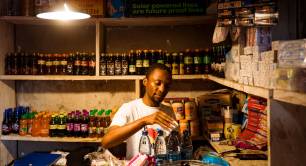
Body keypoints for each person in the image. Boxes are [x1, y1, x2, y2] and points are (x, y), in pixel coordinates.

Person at [101, 63, 178, 159]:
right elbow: (106, 141)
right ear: (145, 82)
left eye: (167, 85)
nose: (162, 89)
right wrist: (144, 121)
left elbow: (175, 146)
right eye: (157, 83)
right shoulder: (129, 108)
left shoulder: (168, 111)